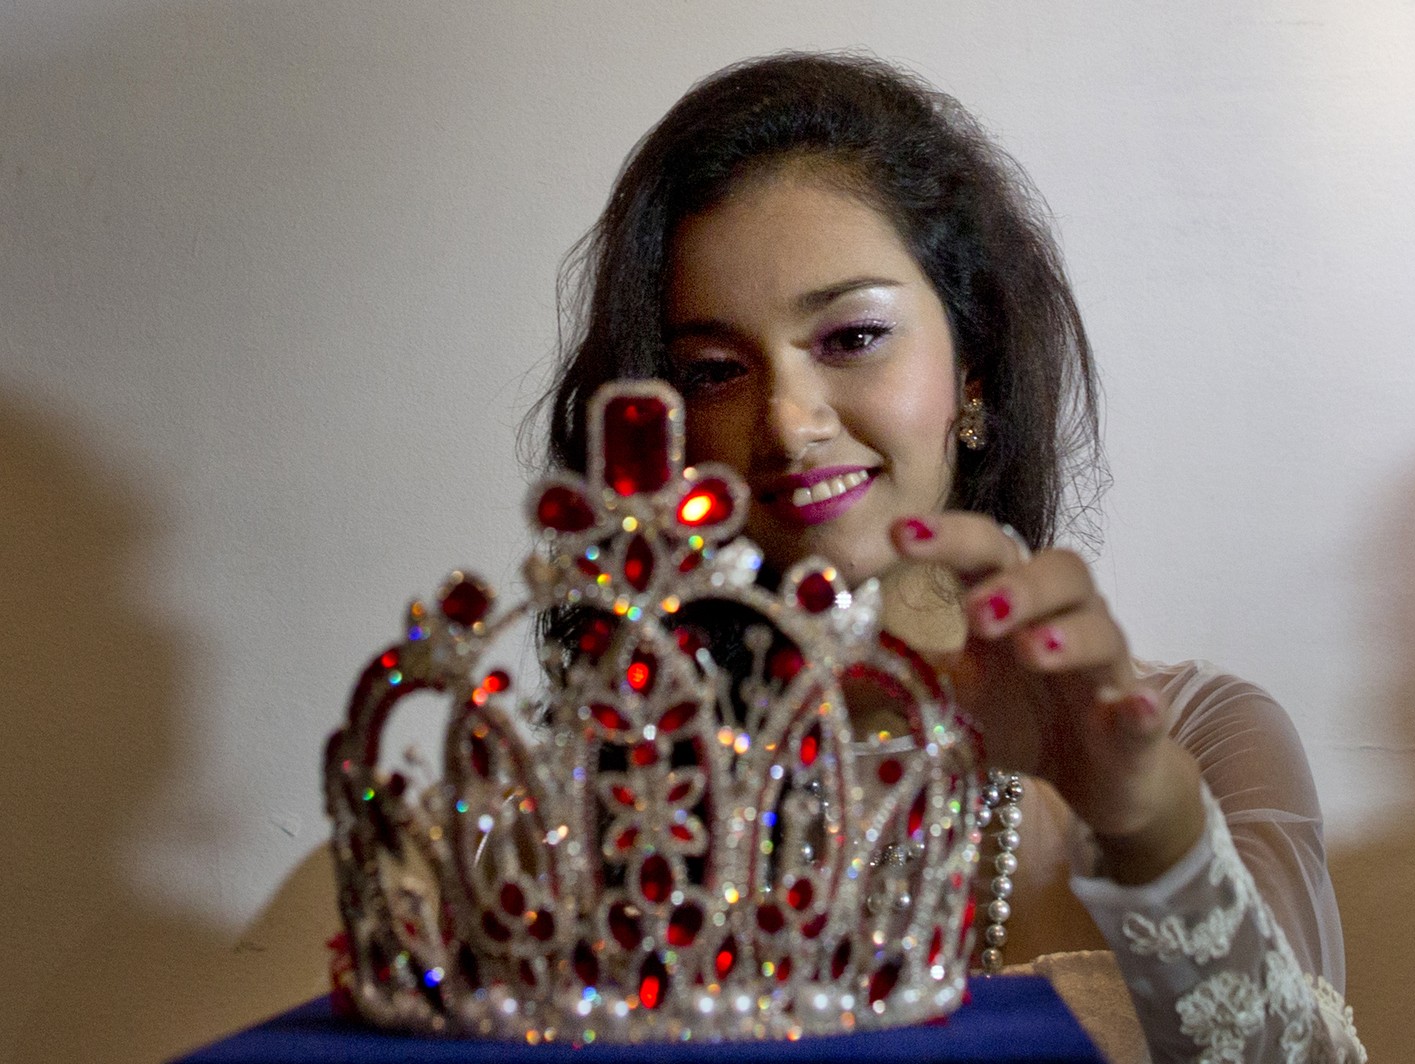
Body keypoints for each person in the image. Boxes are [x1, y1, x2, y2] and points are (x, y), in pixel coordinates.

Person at [540, 52, 1365, 1064]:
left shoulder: (1202, 735)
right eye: (716, 369)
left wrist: (1142, 819)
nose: (790, 424)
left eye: (850, 338)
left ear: (971, 368)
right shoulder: (629, 784)